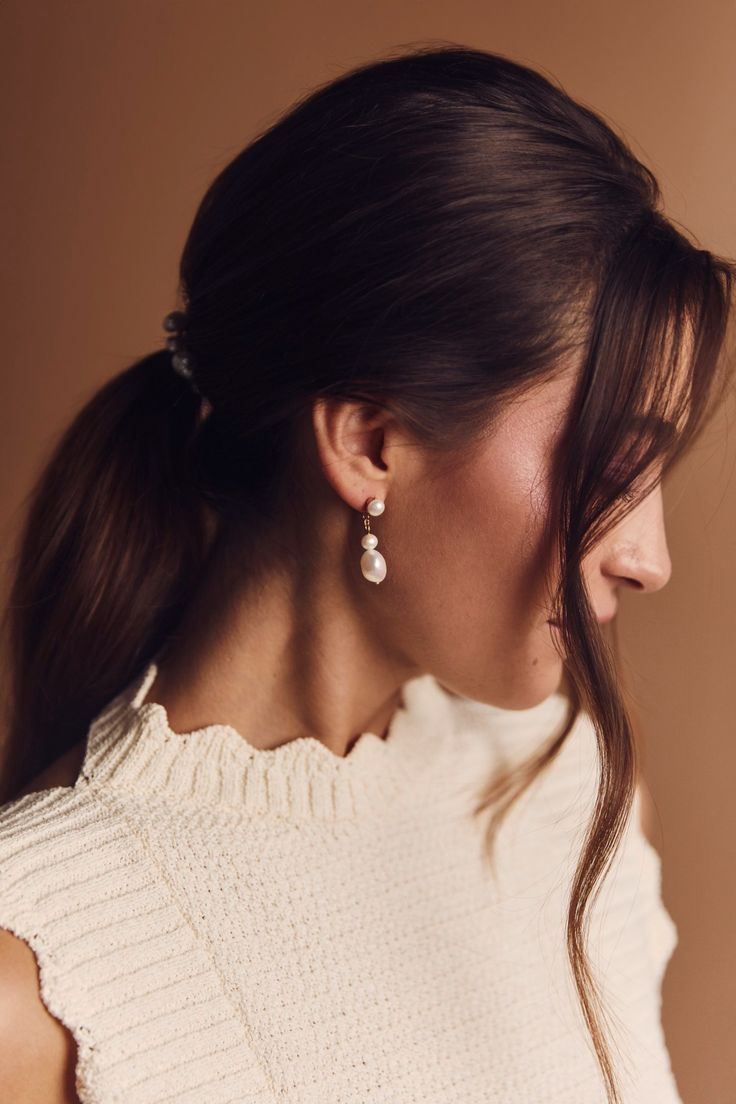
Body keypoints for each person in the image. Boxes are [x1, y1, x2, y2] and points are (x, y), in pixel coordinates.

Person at [0, 43, 732, 1104]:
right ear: (370, 443)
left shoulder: (564, 783)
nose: (649, 557)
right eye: (610, 466)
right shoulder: (47, 970)